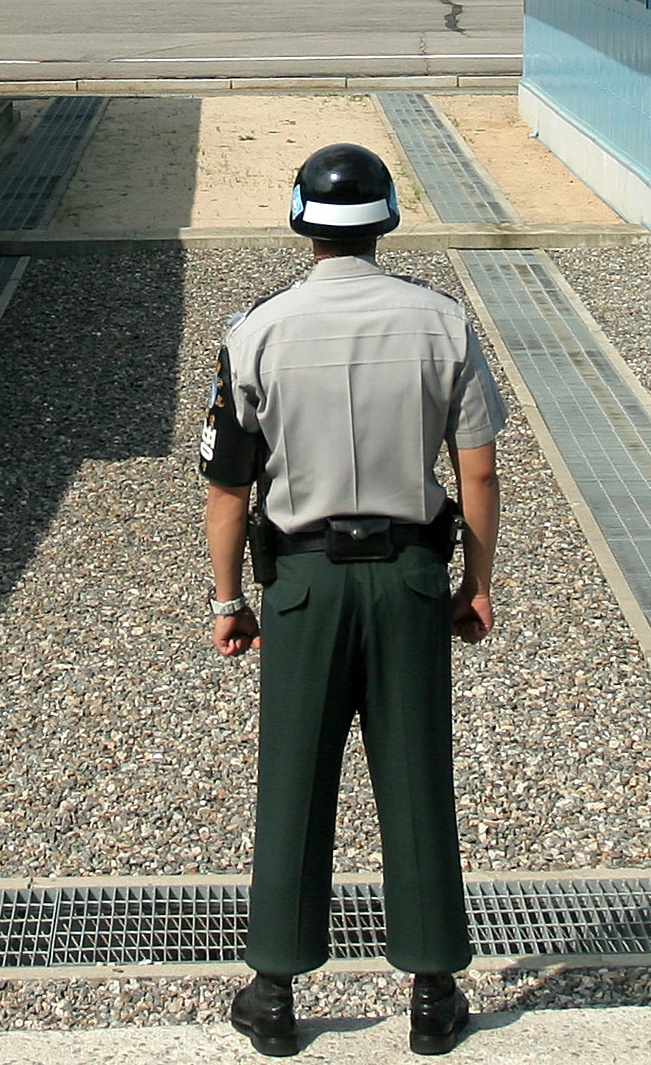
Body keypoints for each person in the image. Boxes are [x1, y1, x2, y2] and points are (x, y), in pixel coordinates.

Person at [202, 144, 504, 1060]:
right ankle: (433, 993)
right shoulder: (443, 322)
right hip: (411, 577)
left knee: (294, 776)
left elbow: (226, 487)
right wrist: (477, 584)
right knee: (416, 775)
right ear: (384, 220)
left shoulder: (255, 330)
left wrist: (226, 598)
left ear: (300, 219)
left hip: (302, 585)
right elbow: (479, 467)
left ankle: (274, 991)